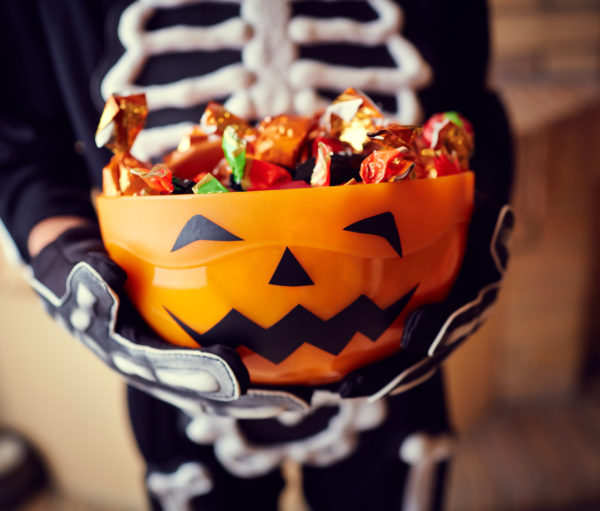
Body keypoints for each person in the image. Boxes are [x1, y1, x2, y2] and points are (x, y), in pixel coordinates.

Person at [0, 1, 513, 509]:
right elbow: (19, 152)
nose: (289, 276)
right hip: (175, 366)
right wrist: (65, 264)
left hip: (400, 345)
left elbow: (473, 109)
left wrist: (476, 236)